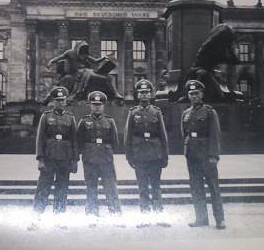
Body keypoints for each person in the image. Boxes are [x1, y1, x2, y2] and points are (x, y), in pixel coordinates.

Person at [29, 86, 78, 229]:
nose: (60, 103)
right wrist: (40, 159)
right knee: (43, 188)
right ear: (54, 101)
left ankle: (59, 219)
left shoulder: (71, 118)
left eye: (63, 100)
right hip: (49, 158)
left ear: (66, 101)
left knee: (62, 189)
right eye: (58, 100)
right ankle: (36, 218)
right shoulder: (46, 116)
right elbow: (40, 139)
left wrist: (75, 161)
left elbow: (74, 140)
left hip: (65, 158)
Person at [181, 80, 226, 230]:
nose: (193, 96)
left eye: (196, 93)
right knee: (196, 187)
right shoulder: (186, 113)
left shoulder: (209, 112)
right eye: (191, 93)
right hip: (192, 155)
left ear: (202, 94)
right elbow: (185, 134)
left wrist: (214, 155)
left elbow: (215, 135)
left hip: (206, 155)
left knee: (213, 187)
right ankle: (201, 218)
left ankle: (219, 219)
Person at [124, 79, 169, 226]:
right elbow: (128, 136)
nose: (144, 95)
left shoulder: (156, 112)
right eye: (141, 92)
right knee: (142, 188)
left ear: (151, 94)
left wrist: (165, 156)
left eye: (147, 92)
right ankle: (145, 218)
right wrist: (129, 157)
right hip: (139, 155)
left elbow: (163, 135)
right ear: (137, 95)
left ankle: (158, 217)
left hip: (155, 155)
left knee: (156, 187)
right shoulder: (133, 113)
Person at [77, 91, 122, 220]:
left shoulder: (109, 121)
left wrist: (106, 151)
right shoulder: (84, 122)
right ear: (90, 105)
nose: (97, 107)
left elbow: (115, 142)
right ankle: (91, 212)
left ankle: (115, 212)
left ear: (103, 106)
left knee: (110, 186)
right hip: (90, 159)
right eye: (94, 104)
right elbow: (79, 141)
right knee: (91, 187)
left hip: (105, 159)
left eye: (99, 104)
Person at [46, 41, 123, 103]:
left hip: (85, 71)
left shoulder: (85, 55)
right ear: (78, 51)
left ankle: (115, 93)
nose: (83, 57)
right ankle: (78, 93)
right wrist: (51, 62)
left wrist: (103, 58)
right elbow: (59, 58)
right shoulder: (69, 53)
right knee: (88, 73)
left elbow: (95, 61)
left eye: (84, 55)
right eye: (82, 55)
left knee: (109, 76)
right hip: (77, 73)